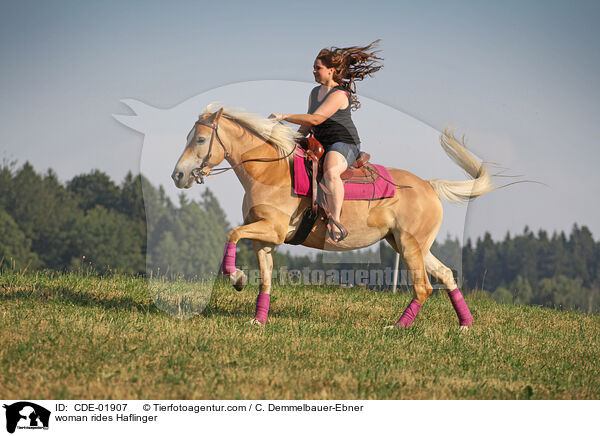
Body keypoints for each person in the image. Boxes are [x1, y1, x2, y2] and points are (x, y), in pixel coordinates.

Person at [269, 40, 383, 242]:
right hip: (319, 142)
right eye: (313, 68)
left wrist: (283, 116)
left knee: (331, 171)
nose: (314, 71)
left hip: (343, 143)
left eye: (318, 68)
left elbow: (316, 119)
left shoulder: (339, 94)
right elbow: (307, 125)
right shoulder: (314, 93)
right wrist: (289, 140)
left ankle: (336, 221)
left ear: (331, 71)